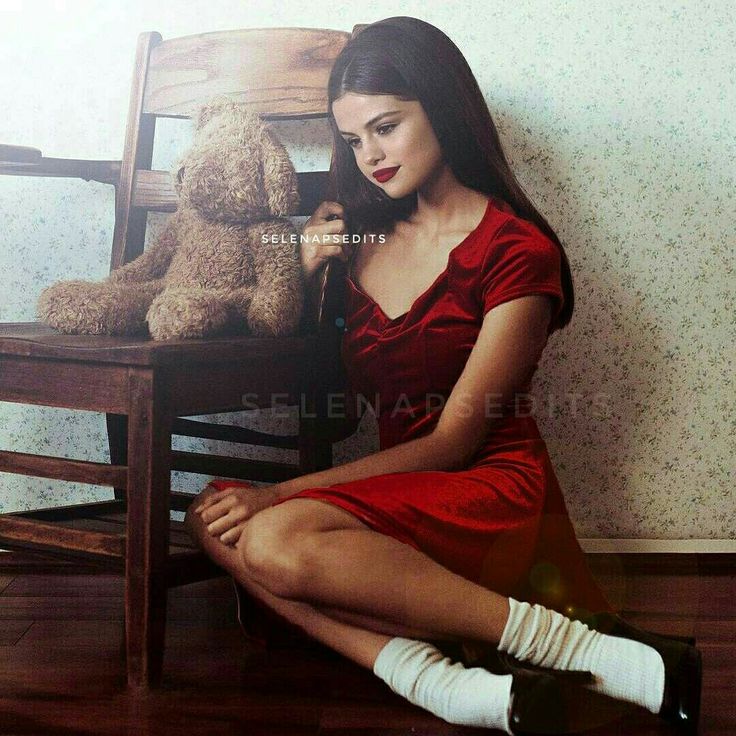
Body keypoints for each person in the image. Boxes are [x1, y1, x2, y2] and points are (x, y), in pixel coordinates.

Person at [185, 16, 701, 734]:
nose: (370, 155)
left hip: (488, 488)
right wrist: (308, 285)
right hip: (397, 484)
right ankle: (442, 682)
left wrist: (279, 496)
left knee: (266, 535)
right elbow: (332, 416)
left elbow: (455, 443)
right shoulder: (359, 242)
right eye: (354, 138)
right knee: (210, 514)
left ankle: (575, 648)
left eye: (387, 126)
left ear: (443, 105)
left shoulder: (518, 251)